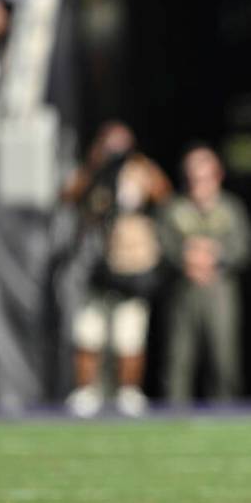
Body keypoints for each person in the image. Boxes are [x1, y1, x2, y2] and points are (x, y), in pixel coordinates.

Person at [61, 121, 172, 417]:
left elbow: (164, 194)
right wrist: (97, 166)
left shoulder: (139, 171)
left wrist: (139, 169)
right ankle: (86, 391)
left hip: (130, 263)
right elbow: (69, 195)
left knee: (129, 334)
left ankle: (128, 391)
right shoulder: (92, 172)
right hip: (97, 264)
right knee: (89, 332)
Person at [159, 144, 251, 405]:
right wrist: (185, 258)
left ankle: (225, 413)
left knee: (223, 358)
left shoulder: (231, 208)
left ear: (217, 176)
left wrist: (216, 255)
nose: (197, 183)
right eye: (192, 177)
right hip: (184, 292)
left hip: (220, 290)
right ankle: (174, 416)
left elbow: (245, 247)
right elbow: (163, 246)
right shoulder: (174, 208)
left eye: (203, 177)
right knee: (178, 359)